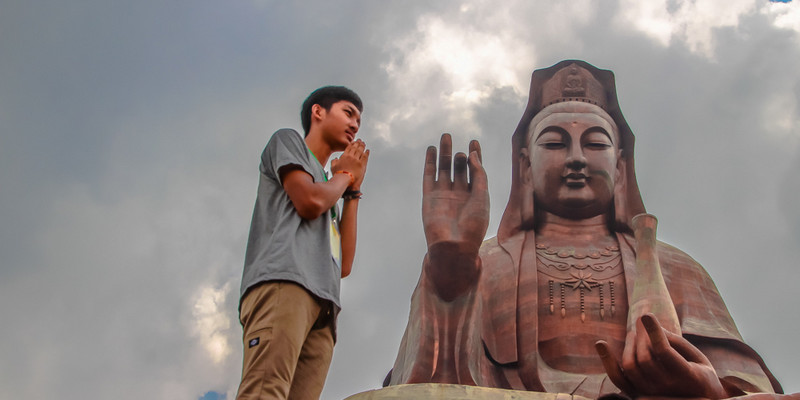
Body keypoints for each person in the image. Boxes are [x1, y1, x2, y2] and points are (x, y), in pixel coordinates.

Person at [386, 61, 789, 399]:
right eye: (555, 144)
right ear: (525, 165)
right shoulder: (489, 262)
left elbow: (744, 382)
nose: (576, 158)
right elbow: (432, 381)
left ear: (620, 166)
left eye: (595, 144)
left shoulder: (674, 267)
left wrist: (706, 390)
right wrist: (450, 269)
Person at [237, 86, 369, 400]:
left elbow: (344, 265)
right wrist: (346, 176)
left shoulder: (330, 185)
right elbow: (308, 202)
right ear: (318, 112)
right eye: (348, 113)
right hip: (285, 283)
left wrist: (351, 194)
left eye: (359, 121)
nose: (354, 125)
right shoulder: (288, 142)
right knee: (265, 392)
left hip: (324, 306)